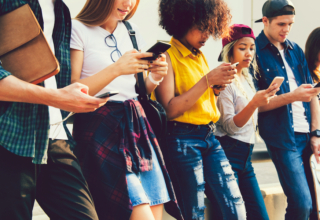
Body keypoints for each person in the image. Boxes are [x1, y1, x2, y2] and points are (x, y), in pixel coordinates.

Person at [69, 0, 182, 220]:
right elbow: (73, 89)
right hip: (99, 125)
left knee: (155, 209)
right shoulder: (78, 28)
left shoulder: (131, 31)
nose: (128, 4)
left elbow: (138, 90)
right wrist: (117, 69)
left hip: (136, 126)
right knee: (133, 209)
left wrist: (154, 78)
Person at [0, 0, 109, 219]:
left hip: (55, 136)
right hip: (9, 137)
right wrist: (57, 98)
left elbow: (57, 79)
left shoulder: (61, 10)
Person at [155, 0, 246, 219]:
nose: (207, 35)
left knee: (236, 206)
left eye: (211, 28)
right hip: (181, 139)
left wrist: (215, 89)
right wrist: (207, 80)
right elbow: (169, 109)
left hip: (209, 136)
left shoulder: (199, 55)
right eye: (202, 27)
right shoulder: (166, 56)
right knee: (193, 212)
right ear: (182, 21)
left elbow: (205, 104)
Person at [254, 0, 320, 219]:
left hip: (307, 136)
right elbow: (255, 105)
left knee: (313, 206)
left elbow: (312, 96)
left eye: (290, 24)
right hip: (282, 138)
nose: (287, 30)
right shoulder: (254, 52)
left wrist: (315, 134)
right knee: (301, 204)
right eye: (281, 24)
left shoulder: (295, 50)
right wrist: (292, 96)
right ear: (265, 21)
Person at [212, 24, 279, 220]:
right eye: (242, 48)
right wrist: (254, 103)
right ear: (229, 49)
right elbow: (230, 126)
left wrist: (264, 98)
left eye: (251, 48)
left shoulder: (246, 76)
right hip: (228, 154)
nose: (248, 53)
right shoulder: (224, 78)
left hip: (246, 158)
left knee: (259, 215)